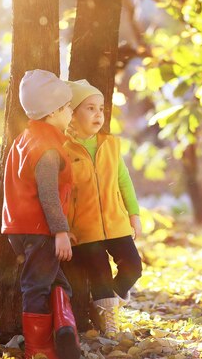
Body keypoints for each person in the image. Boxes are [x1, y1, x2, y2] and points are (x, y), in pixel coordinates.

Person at [1, 69, 81, 359]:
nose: (72, 111)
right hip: (40, 230)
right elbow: (47, 195)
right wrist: (60, 232)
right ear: (53, 112)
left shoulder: (25, 139)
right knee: (36, 286)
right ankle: (39, 350)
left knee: (56, 282)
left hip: (20, 228)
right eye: (68, 107)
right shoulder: (47, 149)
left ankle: (65, 333)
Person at [64, 79, 143, 335]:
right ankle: (106, 320)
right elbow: (61, 194)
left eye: (100, 108)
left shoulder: (110, 144)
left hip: (116, 221)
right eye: (90, 108)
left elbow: (124, 181)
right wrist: (63, 227)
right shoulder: (64, 149)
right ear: (72, 114)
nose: (98, 114)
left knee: (133, 266)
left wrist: (134, 214)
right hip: (85, 230)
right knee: (100, 273)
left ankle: (108, 306)